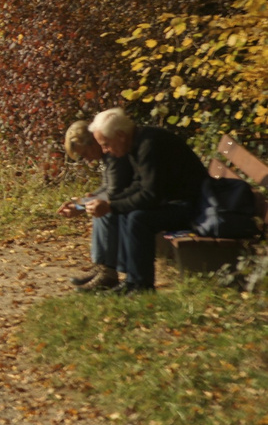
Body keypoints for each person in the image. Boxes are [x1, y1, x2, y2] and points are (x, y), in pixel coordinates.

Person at [81, 107, 208, 294]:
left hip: (193, 207)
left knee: (138, 219)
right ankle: (132, 281)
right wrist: (112, 203)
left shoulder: (150, 145)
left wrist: (111, 206)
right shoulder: (137, 143)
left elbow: (150, 195)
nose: (105, 150)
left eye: (106, 144)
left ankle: (141, 284)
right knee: (128, 213)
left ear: (120, 135)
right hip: (174, 202)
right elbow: (137, 185)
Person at [57, 120, 133, 291]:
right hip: (130, 198)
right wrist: (80, 204)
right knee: (98, 206)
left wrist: (82, 205)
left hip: (140, 201)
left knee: (104, 211)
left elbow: (114, 192)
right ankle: (101, 266)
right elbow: (108, 187)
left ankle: (107, 272)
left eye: (85, 154)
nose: (87, 159)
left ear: (93, 142)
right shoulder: (108, 157)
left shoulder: (114, 154)